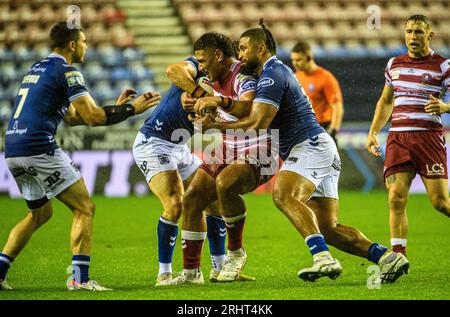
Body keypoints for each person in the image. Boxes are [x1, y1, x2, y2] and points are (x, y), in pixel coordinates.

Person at [194, 22, 409, 283]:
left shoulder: (272, 74)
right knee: (328, 229)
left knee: (283, 195)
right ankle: (387, 257)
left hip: (310, 146)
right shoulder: (271, 73)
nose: (239, 56)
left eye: (243, 49)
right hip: (320, 148)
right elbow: (249, 113)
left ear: (260, 49)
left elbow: (257, 123)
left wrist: (216, 122)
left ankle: (323, 259)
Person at [0, 21, 160, 291]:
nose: (86, 46)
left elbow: (74, 118)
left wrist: (116, 108)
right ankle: (80, 279)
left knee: (39, 214)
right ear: (72, 45)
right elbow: (94, 117)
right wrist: (132, 110)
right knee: (85, 207)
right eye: (84, 41)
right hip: (39, 147)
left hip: (14, 148)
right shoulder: (67, 71)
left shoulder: (36, 70)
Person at [157, 32, 272, 286]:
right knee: (193, 196)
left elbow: (247, 109)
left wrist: (215, 102)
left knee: (225, 184)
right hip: (230, 145)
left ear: (219, 55)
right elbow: (219, 111)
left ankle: (235, 254)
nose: (200, 67)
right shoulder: (213, 77)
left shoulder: (242, 75)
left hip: (262, 147)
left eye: (203, 60)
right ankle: (190, 274)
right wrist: (205, 115)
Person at [133, 48, 229, 286]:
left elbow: (211, 125)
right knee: (175, 204)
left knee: (214, 201)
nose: (203, 65)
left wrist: (206, 116)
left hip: (179, 146)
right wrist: (195, 93)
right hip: (154, 142)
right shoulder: (196, 68)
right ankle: (164, 273)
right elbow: (172, 70)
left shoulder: (226, 86)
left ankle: (220, 268)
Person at [367, 14, 450, 257]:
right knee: (395, 198)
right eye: (410, 32)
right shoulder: (394, 64)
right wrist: (373, 132)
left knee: (440, 203)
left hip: (428, 139)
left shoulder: (443, 66)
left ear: (430, 35)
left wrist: (445, 107)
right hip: (398, 138)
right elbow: (386, 101)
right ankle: (398, 256)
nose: (413, 37)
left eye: (419, 32)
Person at [291, 41, 344, 146]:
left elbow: (337, 107)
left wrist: (333, 131)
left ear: (309, 58)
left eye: (298, 60)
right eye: (293, 60)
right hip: (303, 131)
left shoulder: (326, 78)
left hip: (322, 128)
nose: (295, 63)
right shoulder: (295, 77)